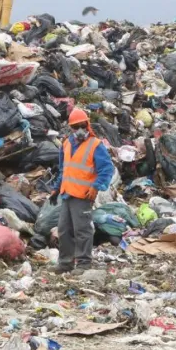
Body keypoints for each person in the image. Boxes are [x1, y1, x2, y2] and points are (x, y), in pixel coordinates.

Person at [51, 108, 114, 273]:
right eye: (75, 126)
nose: (79, 130)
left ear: (87, 125)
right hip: (67, 193)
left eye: (82, 125)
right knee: (64, 230)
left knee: (82, 230)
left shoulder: (95, 145)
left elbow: (106, 169)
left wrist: (96, 187)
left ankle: (84, 263)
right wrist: (56, 189)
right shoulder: (66, 143)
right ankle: (65, 263)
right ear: (70, 128)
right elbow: (64, 170)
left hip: (83, 195)